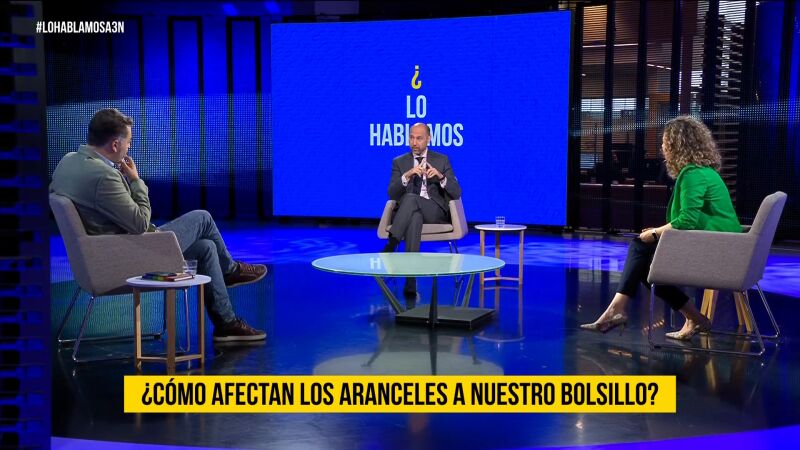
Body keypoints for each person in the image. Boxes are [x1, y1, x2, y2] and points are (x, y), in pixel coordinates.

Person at [50, 108, 267, 343]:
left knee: (206, 247)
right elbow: (140, 223)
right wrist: (136, 181)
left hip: (97, 258)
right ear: (115, 144)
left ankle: (226, 324)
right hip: (125, 257)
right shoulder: (104, 176)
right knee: (202, 218)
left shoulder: (68, 162)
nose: (129, 147)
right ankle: (231, 271)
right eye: (128, 141)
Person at [580, 115, 741, 340]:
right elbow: (695, 219)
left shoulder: (693, 174)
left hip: (714, 252)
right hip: (723, 248)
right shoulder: (705, 172)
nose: (662, 148)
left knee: (640, 248)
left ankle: (617, 309)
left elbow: (687, 221)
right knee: (647, 265)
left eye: (665, 143)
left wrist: (655, 233)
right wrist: (657, 230)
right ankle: (692, 317)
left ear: (677, 146)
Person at [384, 123, 462, 297]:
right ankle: (410, 284)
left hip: (434, 211)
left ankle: (392, 243)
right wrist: (407, 175)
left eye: (419, 138)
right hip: (409, 213)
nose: (414, 142)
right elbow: (392, 193)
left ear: (429, 139)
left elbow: (457, 192)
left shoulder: (441, 160)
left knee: (411, 199)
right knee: (414, 217)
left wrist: (441, 177)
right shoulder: (399, 162)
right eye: (411, 137)